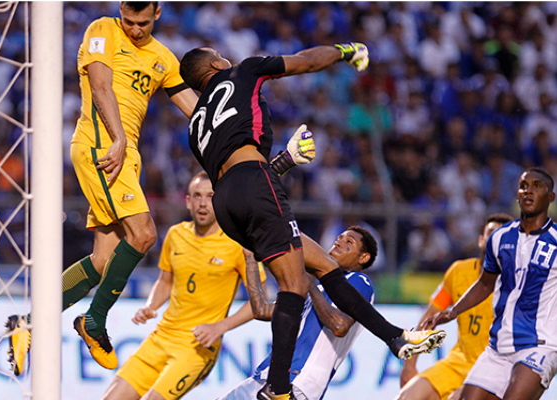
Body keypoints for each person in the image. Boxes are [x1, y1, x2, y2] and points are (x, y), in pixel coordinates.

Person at [179, 45, 445, 400]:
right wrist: (344, 52)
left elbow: (233, 171)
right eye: (219, 56)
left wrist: (285, 160)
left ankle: (395, 336)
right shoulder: (242, 71)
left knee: (322, 265)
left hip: (225, 203)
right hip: (253, 181)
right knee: (293, 285)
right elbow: (306, 62)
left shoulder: (196, 122)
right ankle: (278, 389)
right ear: (215, 64)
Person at [6, 1, 199, 375]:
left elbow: (192, 105)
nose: (134, 29)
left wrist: (228, 114)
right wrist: (119, 138)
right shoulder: (102, 31)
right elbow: (100, 85)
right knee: (143, 235)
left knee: (102, 261)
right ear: (120, 11)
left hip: (124, 155)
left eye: (142, 23)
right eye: (128, 20)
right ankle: (94, 321)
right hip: (102, 148)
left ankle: (28, 323)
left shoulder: (163, 57)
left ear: (156, 15)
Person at [100, 171, 264, 400]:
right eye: (197, 196)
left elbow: (260, 302)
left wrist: (220, 327)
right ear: (188, 201)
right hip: (162, 337)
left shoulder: (237, 244)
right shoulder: (176, 235)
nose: (203, 203)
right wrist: (151, 305)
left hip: (196, 347)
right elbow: (165, 281)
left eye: (210, 196)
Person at [425, 167, 557, 400]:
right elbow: (485, 284)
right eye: (524, 185)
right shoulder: (500, 238)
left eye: (537, 186)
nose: (528, 191)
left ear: (551, 197)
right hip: (498, 345)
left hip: (540, 344)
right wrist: (451, 312)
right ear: (517, 195)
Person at [217, 226, 379, 400]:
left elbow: (340, 326)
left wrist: (306, 281)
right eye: (339, 237)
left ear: (364, 257)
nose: (339, 242)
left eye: (349, 241)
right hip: (267, 377)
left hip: (299, 384)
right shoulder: (315, 290)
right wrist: (249, 258)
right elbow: (261, 310)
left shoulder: (359, 281)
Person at [396, 213, 513, 400]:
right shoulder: (459, 271)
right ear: (481, 240)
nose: (495, 241)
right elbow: (429, 317)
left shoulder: (517, 282)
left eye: (502, 237)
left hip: (495, 369)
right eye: (491, 234)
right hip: (458, 361)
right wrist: (409, 365)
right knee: (407, 396)